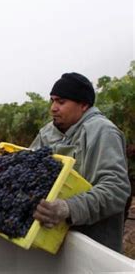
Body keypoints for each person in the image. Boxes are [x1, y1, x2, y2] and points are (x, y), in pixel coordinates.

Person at [31, 72, 131, 252]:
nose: (53, 108)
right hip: (51, 244)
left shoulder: (102, 132)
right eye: (52, 101)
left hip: (92, 249)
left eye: (61, 102)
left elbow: (116, 189)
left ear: (84, 105)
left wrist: (68, 208)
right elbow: (26, 170)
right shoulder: (47, 133)